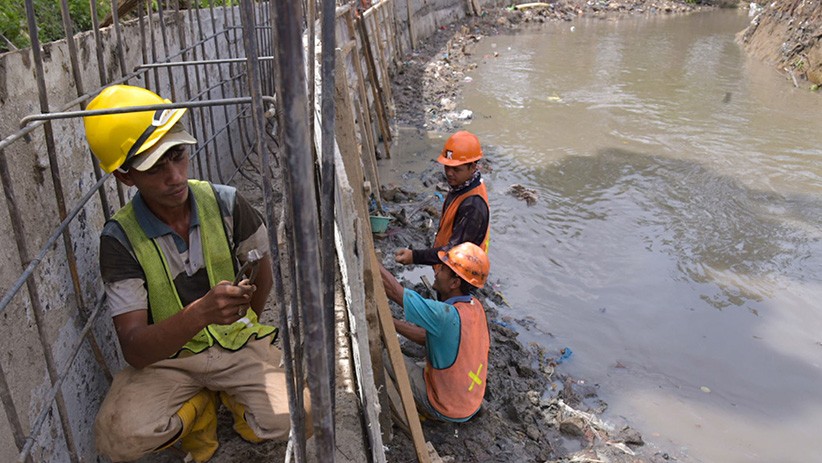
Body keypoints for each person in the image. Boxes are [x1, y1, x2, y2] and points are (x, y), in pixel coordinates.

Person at [83, 85, 304, 462]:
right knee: (116, 439)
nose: (174, 176)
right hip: (167, 361)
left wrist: (245, 322)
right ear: (125, 176)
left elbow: (264, 271)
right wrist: (200, 314)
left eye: (178, 155)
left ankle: (239, 404)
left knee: (304, 414)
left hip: (235, 343)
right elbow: (135, 348)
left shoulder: (228, 204)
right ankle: (198, 410)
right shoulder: (120, 240)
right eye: (156, 166)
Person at [380, 242, 491, 422]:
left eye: (443, 269)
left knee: (386, 355)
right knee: (428, 363)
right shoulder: (475, 308)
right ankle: (464, 405)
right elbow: (428, 338)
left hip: (444, 407)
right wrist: (388, 322)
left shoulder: (445, 316)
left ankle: (430, 411)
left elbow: (395, 292)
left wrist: (367, 252)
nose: (437, 272)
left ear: (455, 282)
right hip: (470, 401)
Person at [395, 130, 490, 266]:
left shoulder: (473, 207)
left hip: (459, 278)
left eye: (456, 169)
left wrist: (414, 257)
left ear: (473, 167)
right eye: (447, 167)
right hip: (448, 271)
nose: (449, 174)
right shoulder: (461, 186)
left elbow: (454, 253)